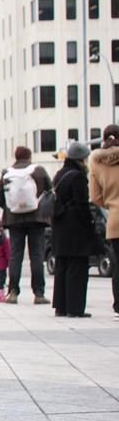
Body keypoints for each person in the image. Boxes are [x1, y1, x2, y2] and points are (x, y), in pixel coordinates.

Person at [0, 146, 52, 305]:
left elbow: (0, 198)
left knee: (15, 255)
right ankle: (39, 293)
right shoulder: (39, 171)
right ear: (29, 156)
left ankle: (13, 292)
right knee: (37, 255)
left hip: (14, 219)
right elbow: (50, 191)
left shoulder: (6, 173)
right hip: (36, 218)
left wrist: (11, 207)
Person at [53, 141, 95, 317]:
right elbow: (82, 204)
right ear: (80, 159)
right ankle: (75, 308)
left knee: (62, 266)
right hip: (75, 227)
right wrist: (89, 222)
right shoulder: (78, 177)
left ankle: (61, 307)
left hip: (60, 224)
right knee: (77, 267)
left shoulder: (60, 174)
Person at [90, 125, 119, 319]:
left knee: (118, 264)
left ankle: (118, 305)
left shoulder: (96, 161)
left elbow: (95, 196)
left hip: (115, 220)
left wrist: (111, 204)